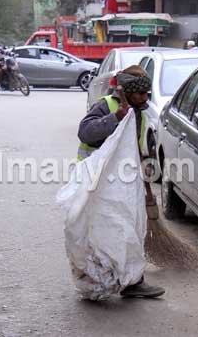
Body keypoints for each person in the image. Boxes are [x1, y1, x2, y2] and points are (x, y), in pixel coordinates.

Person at [76, 65, 165, 299]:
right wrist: (115, 118)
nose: (145, 98)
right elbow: (85, 132)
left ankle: (132, 282)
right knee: (100, 233)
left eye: (147, 93)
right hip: (96, 183)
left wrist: (145, 166)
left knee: (128, 229)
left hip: (123, 182)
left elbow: (134, 145)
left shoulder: (140, 111)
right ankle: (97, 280)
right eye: (141, 93)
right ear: (128, 91)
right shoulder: (106, 106)